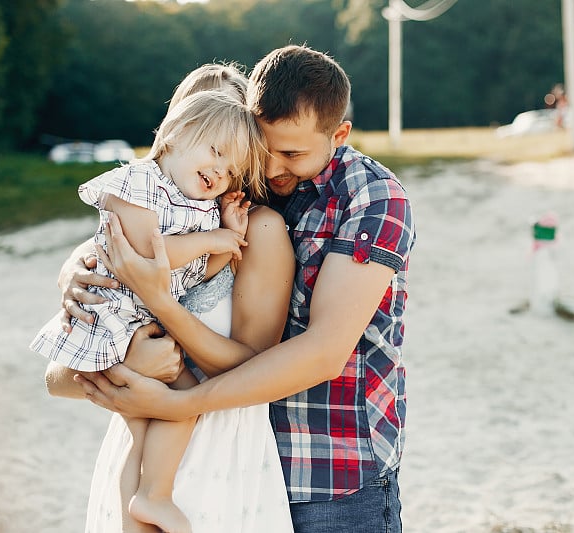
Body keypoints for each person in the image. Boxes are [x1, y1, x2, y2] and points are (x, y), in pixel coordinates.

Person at [69, 45, 416, 532]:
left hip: (334, 468)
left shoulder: (369, 199)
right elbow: (66, 364)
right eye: (261, 148)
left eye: (291, 154)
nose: (272, 168)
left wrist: (174, 391)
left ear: (337, 135)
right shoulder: (205, 205)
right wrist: (74, 273)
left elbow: (322, 353)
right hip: (233, 457)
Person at [46, 64, 295, 533]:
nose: (215, 164)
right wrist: (130, 364)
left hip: (221, 454)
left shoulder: (255, 230)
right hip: (135, 446)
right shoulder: (135, 220)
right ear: (177, 131)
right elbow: (56, 377)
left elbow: (258, 369)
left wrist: (164, 303)